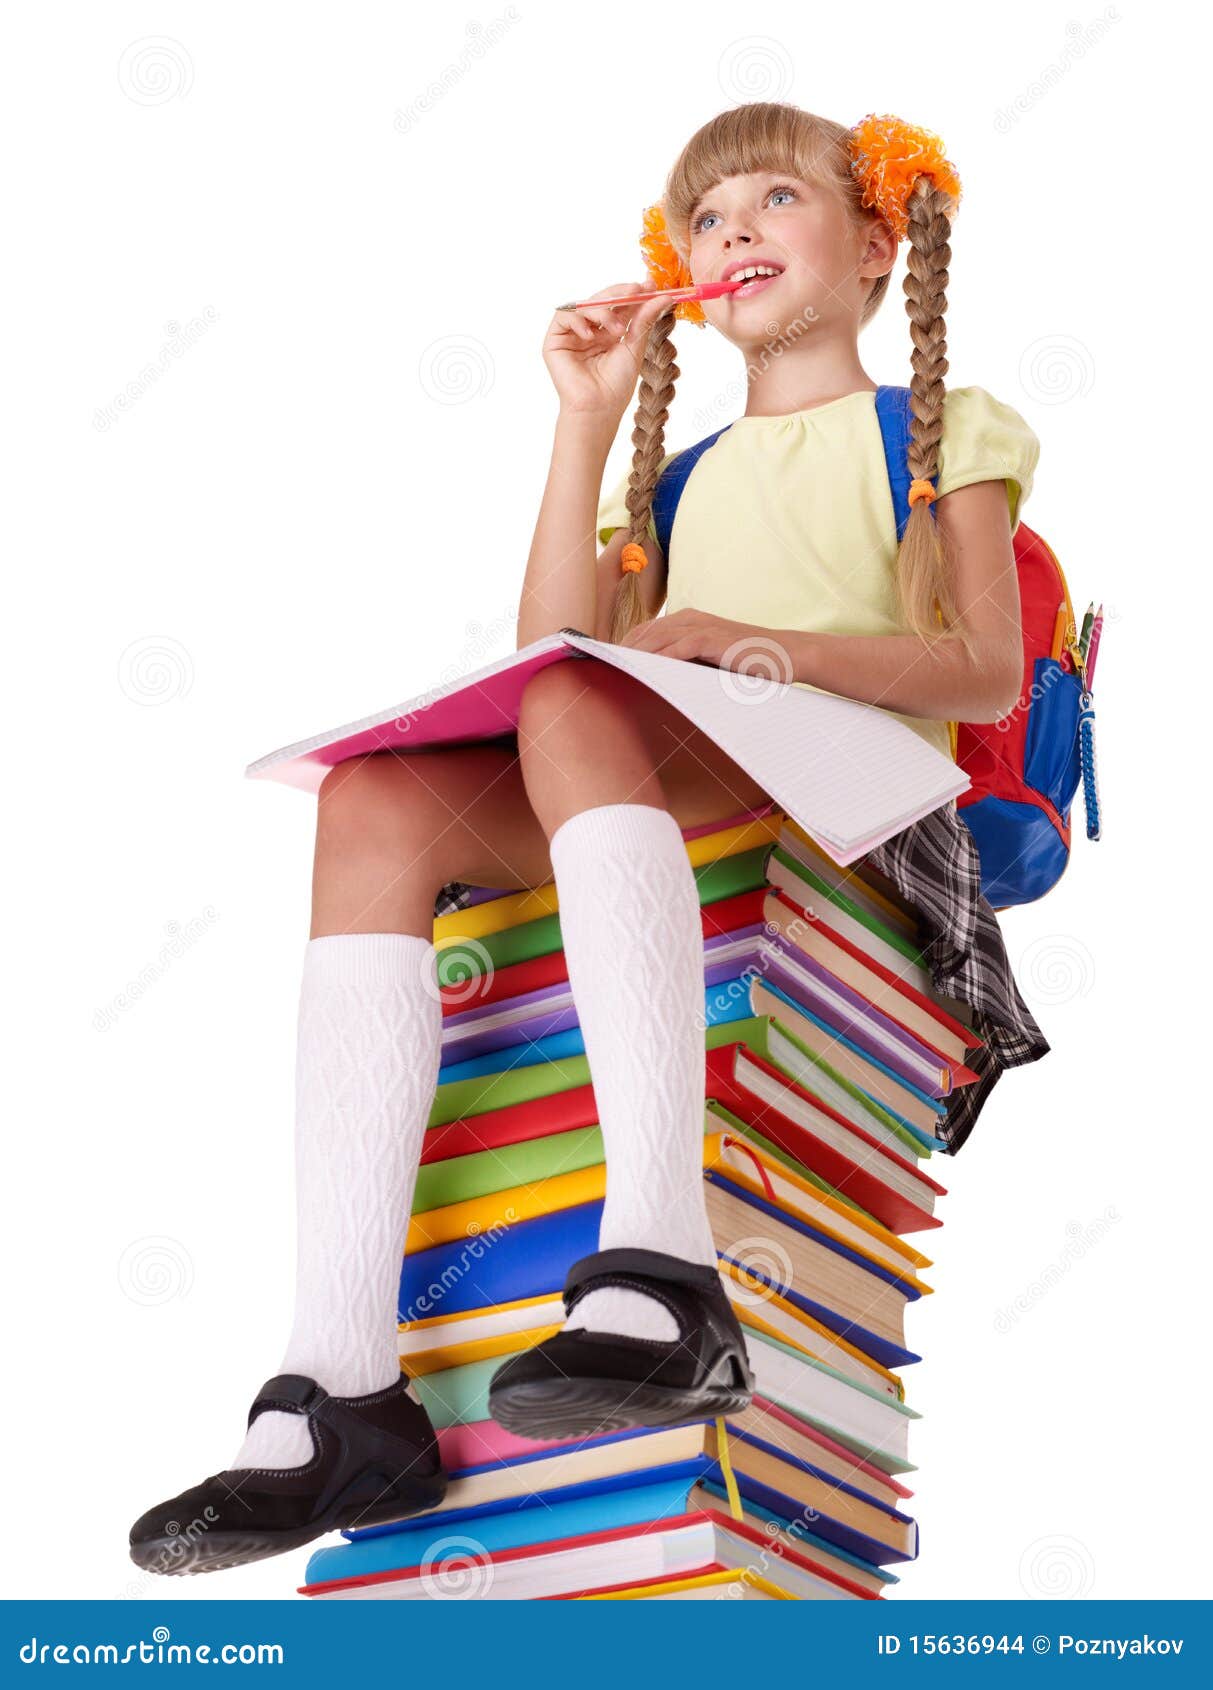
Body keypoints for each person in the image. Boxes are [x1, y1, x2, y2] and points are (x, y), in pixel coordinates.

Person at [129, 100, 1047, 1577]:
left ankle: (665, 1259)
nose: (729, 231)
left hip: (862, 788)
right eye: (702, 218)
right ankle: (339, 1380)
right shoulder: (679, 480)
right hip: (693, 748)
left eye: (770, 200)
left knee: (572, 698)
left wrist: (753, 650)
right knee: (374, 802)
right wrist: (587, 419)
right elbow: (555, 649)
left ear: (877, 244)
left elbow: (982, 673)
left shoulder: (937, 430)